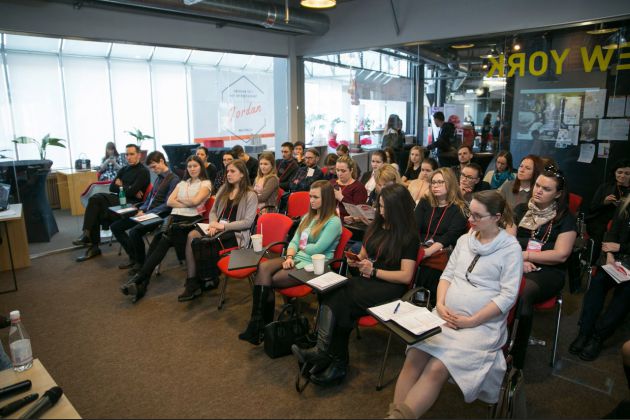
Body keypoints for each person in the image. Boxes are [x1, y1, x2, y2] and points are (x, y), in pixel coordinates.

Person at [389, 190, 522, 419]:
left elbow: (508, 296)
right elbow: (447, 276)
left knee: (437, 367)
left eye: (477, 216)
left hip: (481, 326)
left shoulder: (511, 249)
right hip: (445, 316)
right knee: (414, 356)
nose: (470, 219)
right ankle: (396, 416)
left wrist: (472, 320)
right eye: (470, 213)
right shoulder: (464, 240)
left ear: (496, 217)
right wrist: (440, 305)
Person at [292, 184, 419, 386]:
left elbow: (405, 276)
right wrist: (355, 261)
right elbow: (363, 255)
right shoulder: (377, 227)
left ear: (398, 209)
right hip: (368, 279)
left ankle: (326, 354)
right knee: (332, 293)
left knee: (340, 299)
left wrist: (374, 271)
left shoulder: (409, 237)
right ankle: (332, 359)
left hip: (389, 287)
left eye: (385, 207)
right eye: (380, 206)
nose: (381, 211)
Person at [239, 180, 341, 345]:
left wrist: (300, 247)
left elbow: (317, 248)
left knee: (268, 280)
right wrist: (289, 257)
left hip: (315, 266)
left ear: (327, 199)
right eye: (310, 196)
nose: (311, 200)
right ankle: (257, 325)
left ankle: (260, 328)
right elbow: (293, 241)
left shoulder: (333, 222)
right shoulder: (308, 217)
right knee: (263, 267)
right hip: (297, 258)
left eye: (315, 197)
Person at [509, 166, 577, 371]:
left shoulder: (565, 218)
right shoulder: (521, 210)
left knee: (523, 292)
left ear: (557, 194)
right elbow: (507, 243)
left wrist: (527, 255)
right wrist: (519, 260)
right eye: (537, 185)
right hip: (516, 263)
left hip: (549, 271)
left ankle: (515, 358)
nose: (538, 190)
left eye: (546, 189)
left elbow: (561, 255)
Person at [120, 155, 212, 303]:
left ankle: (139, 280)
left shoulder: (205, 183)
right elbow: (169, 202)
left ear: (201, 167)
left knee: (162, 239)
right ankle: (141, 283)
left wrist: (180, 201)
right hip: (174, 220)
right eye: (189, 166)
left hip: (190, 221)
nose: (192, 169)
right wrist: (187, 202)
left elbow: (195, 202)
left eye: (195, 166)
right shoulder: (183, 183)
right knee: (158, 240)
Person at [181, 159, 257, 301]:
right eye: (227, 171)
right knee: (192, 235)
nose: (228, 174)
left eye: (232, 171)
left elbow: (247, 223)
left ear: (242, 174)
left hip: (235, 233)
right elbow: (213, 211)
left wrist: (223, 226)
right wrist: (213, 223)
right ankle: (192, 281)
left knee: (203, 242)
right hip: (217, 227)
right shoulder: (223, 189)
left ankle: (206, 278)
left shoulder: (250, 194)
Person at [570, 194, 630, 361]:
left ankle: (598, 336)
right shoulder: (625, 205)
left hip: (625, 256)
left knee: (625, 294)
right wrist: (610, 254)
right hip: (617, 258)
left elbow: (618, 244)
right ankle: (585, 332)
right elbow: (612, 232)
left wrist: (620, 247)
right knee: (597, 283)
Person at [73, 144, 150, 262]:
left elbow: (131, 192)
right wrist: (129, 188)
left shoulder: (143, 171)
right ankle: (90, 240)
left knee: (96, 201)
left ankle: (89, 239)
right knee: (95, 203)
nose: (128, 157)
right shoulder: (124, 169)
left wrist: (122, 185)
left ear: (139, 155)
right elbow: (112, 187)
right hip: (119, 199)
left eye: (132, 154)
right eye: (127, 154)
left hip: (131, 204)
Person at [111, 151, 180, 271]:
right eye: (151, 168)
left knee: (134, 232)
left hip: (160, 215)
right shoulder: (159, 178)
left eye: (154, 167)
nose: (153, 170)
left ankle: (140, 262)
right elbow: (149, 198)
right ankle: (134, 257)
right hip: (146, 212)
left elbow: (167, 205)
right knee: (115, 227)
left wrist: (146, 213)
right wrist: (141, 209)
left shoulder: (174, 179)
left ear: (162, 161)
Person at [414, 167, 468, 304]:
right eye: (433, 182)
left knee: (429, 269)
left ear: (450, 183)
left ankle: (425, 303)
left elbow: (450, 236)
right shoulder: (425, 202)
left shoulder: (460, 208)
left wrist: (428, 252)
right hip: (419, 245)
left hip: (442, 250)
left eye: (440, 182)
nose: (435, 186)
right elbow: (414, 227)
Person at [586, 159, 630, 264]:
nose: (622, 176)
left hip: (623, 223)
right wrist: (604, 202)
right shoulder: (605, 187)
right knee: (599, 233)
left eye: (627, 173)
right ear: (615, 173)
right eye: (619, 172)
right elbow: (592, 208)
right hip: (602, 220)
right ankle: (591, 262)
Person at [331, 156, 368, 220]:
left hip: (348, 223)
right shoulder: (332, 183)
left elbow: (358, 212)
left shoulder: (358, 187)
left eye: (343, 171)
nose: (339, 174)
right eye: (337, 170)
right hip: (331, 219)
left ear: (351, 170)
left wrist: (341, 198)